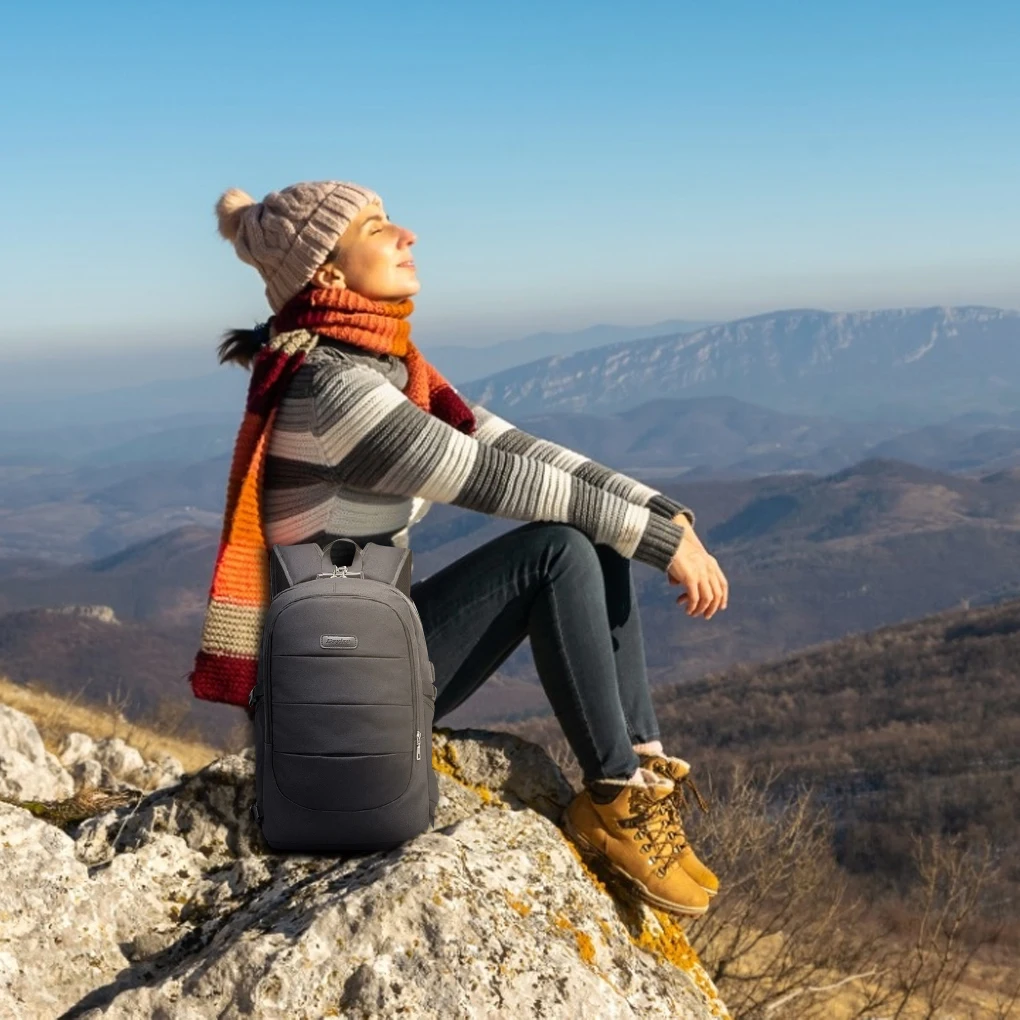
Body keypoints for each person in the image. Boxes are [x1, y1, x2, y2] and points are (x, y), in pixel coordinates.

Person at [190, 180, 730, 917]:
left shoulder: (388, 371)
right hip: (337, 707)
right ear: (326, 271)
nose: (406, 234)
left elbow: (515, 445)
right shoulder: (332, 393)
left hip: (369, 665)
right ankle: (611, 800)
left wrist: (660, 514)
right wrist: (660, 542)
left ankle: (637, 777)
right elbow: (495, 477)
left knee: (595, 539)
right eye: (377, 227)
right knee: (559, 550)